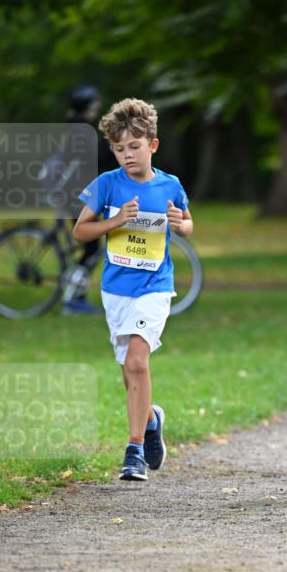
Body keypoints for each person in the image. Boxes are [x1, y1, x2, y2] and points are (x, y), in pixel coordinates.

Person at [73, 97, 194, 481]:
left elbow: (188, 223)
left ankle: (134, 450)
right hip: (116, 291)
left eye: (135, 147)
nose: (128, 155)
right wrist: (115, 222)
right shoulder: (106, 185)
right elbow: (79, 232)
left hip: (156, 286)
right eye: (120, 149)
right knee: (129, 371)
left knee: (137, 362)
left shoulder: (170, 185)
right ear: (112, 150)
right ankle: (152, 418)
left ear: (152, 145)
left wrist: (180, 223)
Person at [62, 84, 115, 315]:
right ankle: (74, 299)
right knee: (92, 246)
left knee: (90, 246)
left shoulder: (74, 127)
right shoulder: (79, 129)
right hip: (76, 195)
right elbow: (96, 156)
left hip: (74, 192)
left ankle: (74, 294)